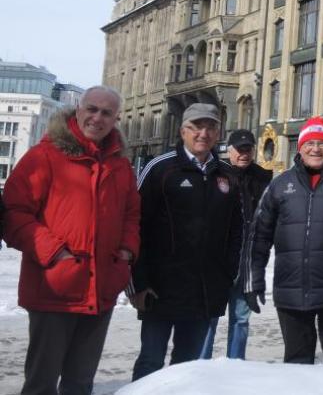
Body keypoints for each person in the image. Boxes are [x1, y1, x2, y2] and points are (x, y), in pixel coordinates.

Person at [3, 86, 140, 395]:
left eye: (106, 113)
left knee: (80, 384)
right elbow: (14, 213)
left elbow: (132, 214)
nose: (97, 118)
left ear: (116, 118)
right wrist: (54, 252)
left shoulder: (120, 165)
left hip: (101, 287)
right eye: (91, 109)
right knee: (41, 384)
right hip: (55, 287)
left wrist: (127, 252)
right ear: (78, 110)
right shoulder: (45, 156)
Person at [129, 103, 244, 381]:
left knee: (188, 368)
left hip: (203, 292)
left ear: (218, 133)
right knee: (150, 363)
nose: (203, 133)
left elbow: (236, 233)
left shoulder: (227, 175)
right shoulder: (161, 169)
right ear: (183, 131)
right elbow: (136, 226)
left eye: (210, 127)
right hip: (160, 290)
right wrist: (139, 283)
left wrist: (226, 277)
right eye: (196, 127)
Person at [246, 117, 323, 365]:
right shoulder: (280, 185)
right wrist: (254, 278)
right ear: (300, 148)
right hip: (291, 291)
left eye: (322, 143)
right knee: (296, 364)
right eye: (310, 143)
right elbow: (259, 234)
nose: (316, 149)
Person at [200, 128, 272, 360]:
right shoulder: (216, 173)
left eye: (248, 149)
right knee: (209, 318)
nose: (243, 154)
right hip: (218, 262)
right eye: (239, 150)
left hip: (247, 263)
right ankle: (200, 367)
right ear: (228, 150)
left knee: (241, 319)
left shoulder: (264, 177)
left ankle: (236, 365)